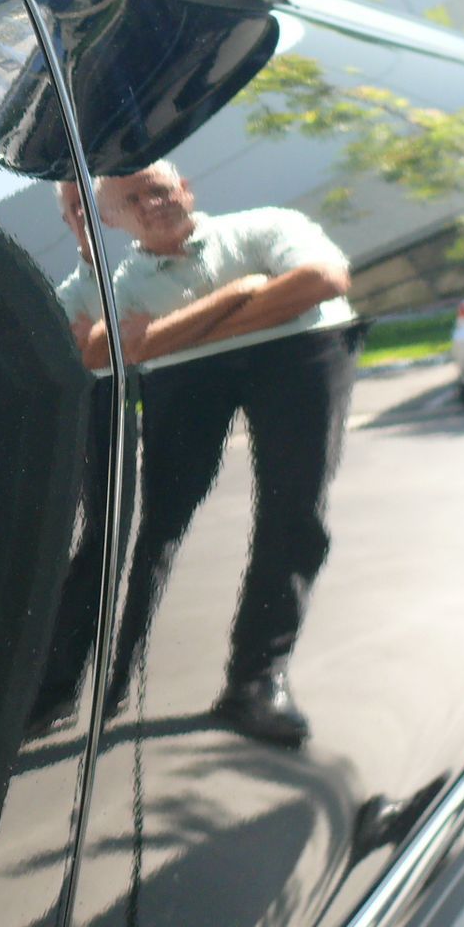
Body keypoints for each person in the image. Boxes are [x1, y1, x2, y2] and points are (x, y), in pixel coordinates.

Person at [90, 161, 356, 747]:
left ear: (184, 189)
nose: (151, 203)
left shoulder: (265, 225)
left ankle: (255, 681)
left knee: (294, 509)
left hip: (301, 352)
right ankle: (108, 677)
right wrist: (243, 293)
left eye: (158, 189)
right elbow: (106, 351)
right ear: (112, 221)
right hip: (185, 381)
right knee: (156, 523)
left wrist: (165, 333)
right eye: (131, 200)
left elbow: (322, 281)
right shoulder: (119, 285)